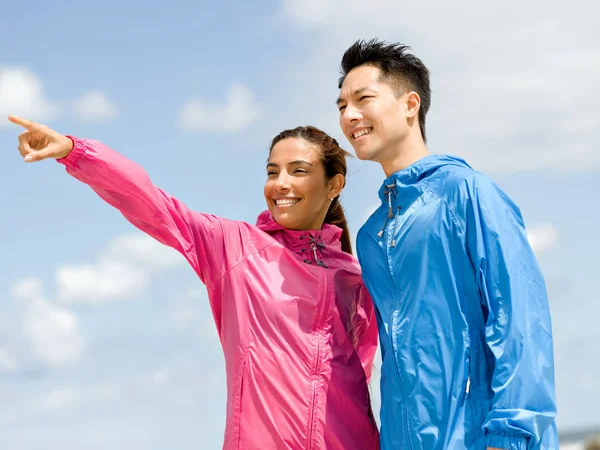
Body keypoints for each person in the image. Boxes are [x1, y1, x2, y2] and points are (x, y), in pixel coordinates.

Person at [8, 115, 380, 450]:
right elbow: (152, 204)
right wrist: (76, 152)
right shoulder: (235, 248)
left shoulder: (353, 278)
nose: (280, 184)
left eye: (298, 171)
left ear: (334, 184)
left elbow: (359, 377)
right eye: (272, 171)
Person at [335, 39, 558, 450]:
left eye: (363, 98)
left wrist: (510, 438)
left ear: (410, 104)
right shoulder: (371, 236)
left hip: (481, 439)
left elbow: (521, 321)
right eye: (342, 105)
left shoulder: (468, 194)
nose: (350, 115)